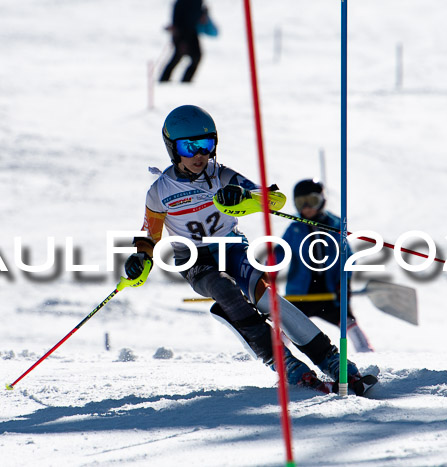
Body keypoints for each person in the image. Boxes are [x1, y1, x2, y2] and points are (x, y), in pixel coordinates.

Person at [123, 105, 375, 395]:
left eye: (205, 145)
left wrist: (244, 195)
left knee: (267, 297)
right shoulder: (159, 191)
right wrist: (141, 258)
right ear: (172, 148)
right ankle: (287, 365)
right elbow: (149, 237)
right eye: (189, 147)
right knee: (224, 288)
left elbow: (275, 200)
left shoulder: (223, 176)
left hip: (232, 249)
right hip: (195, 260)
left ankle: (332, 361)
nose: (199, 155)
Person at [274, 179, 375, 353]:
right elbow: (279, 253)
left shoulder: (335, 226)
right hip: (300, 293)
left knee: (347, 321)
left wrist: (344, 283)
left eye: (312, 201)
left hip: (330, 292)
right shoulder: (295, 228)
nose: (306, 207)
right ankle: (278, 360)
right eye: (300, 202)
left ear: (322, 200)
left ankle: (368, 356)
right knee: (288, 328)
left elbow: (348, 258)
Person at [159, 0, 211, 83]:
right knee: (181, 55)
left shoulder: (197, 2)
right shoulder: (183, 2)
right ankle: (165, 79)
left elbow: (197, 15)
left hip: (191, 31)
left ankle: (183, 80)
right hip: (182, 32)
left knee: (194, 56)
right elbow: (179, 17)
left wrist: (203, 13)